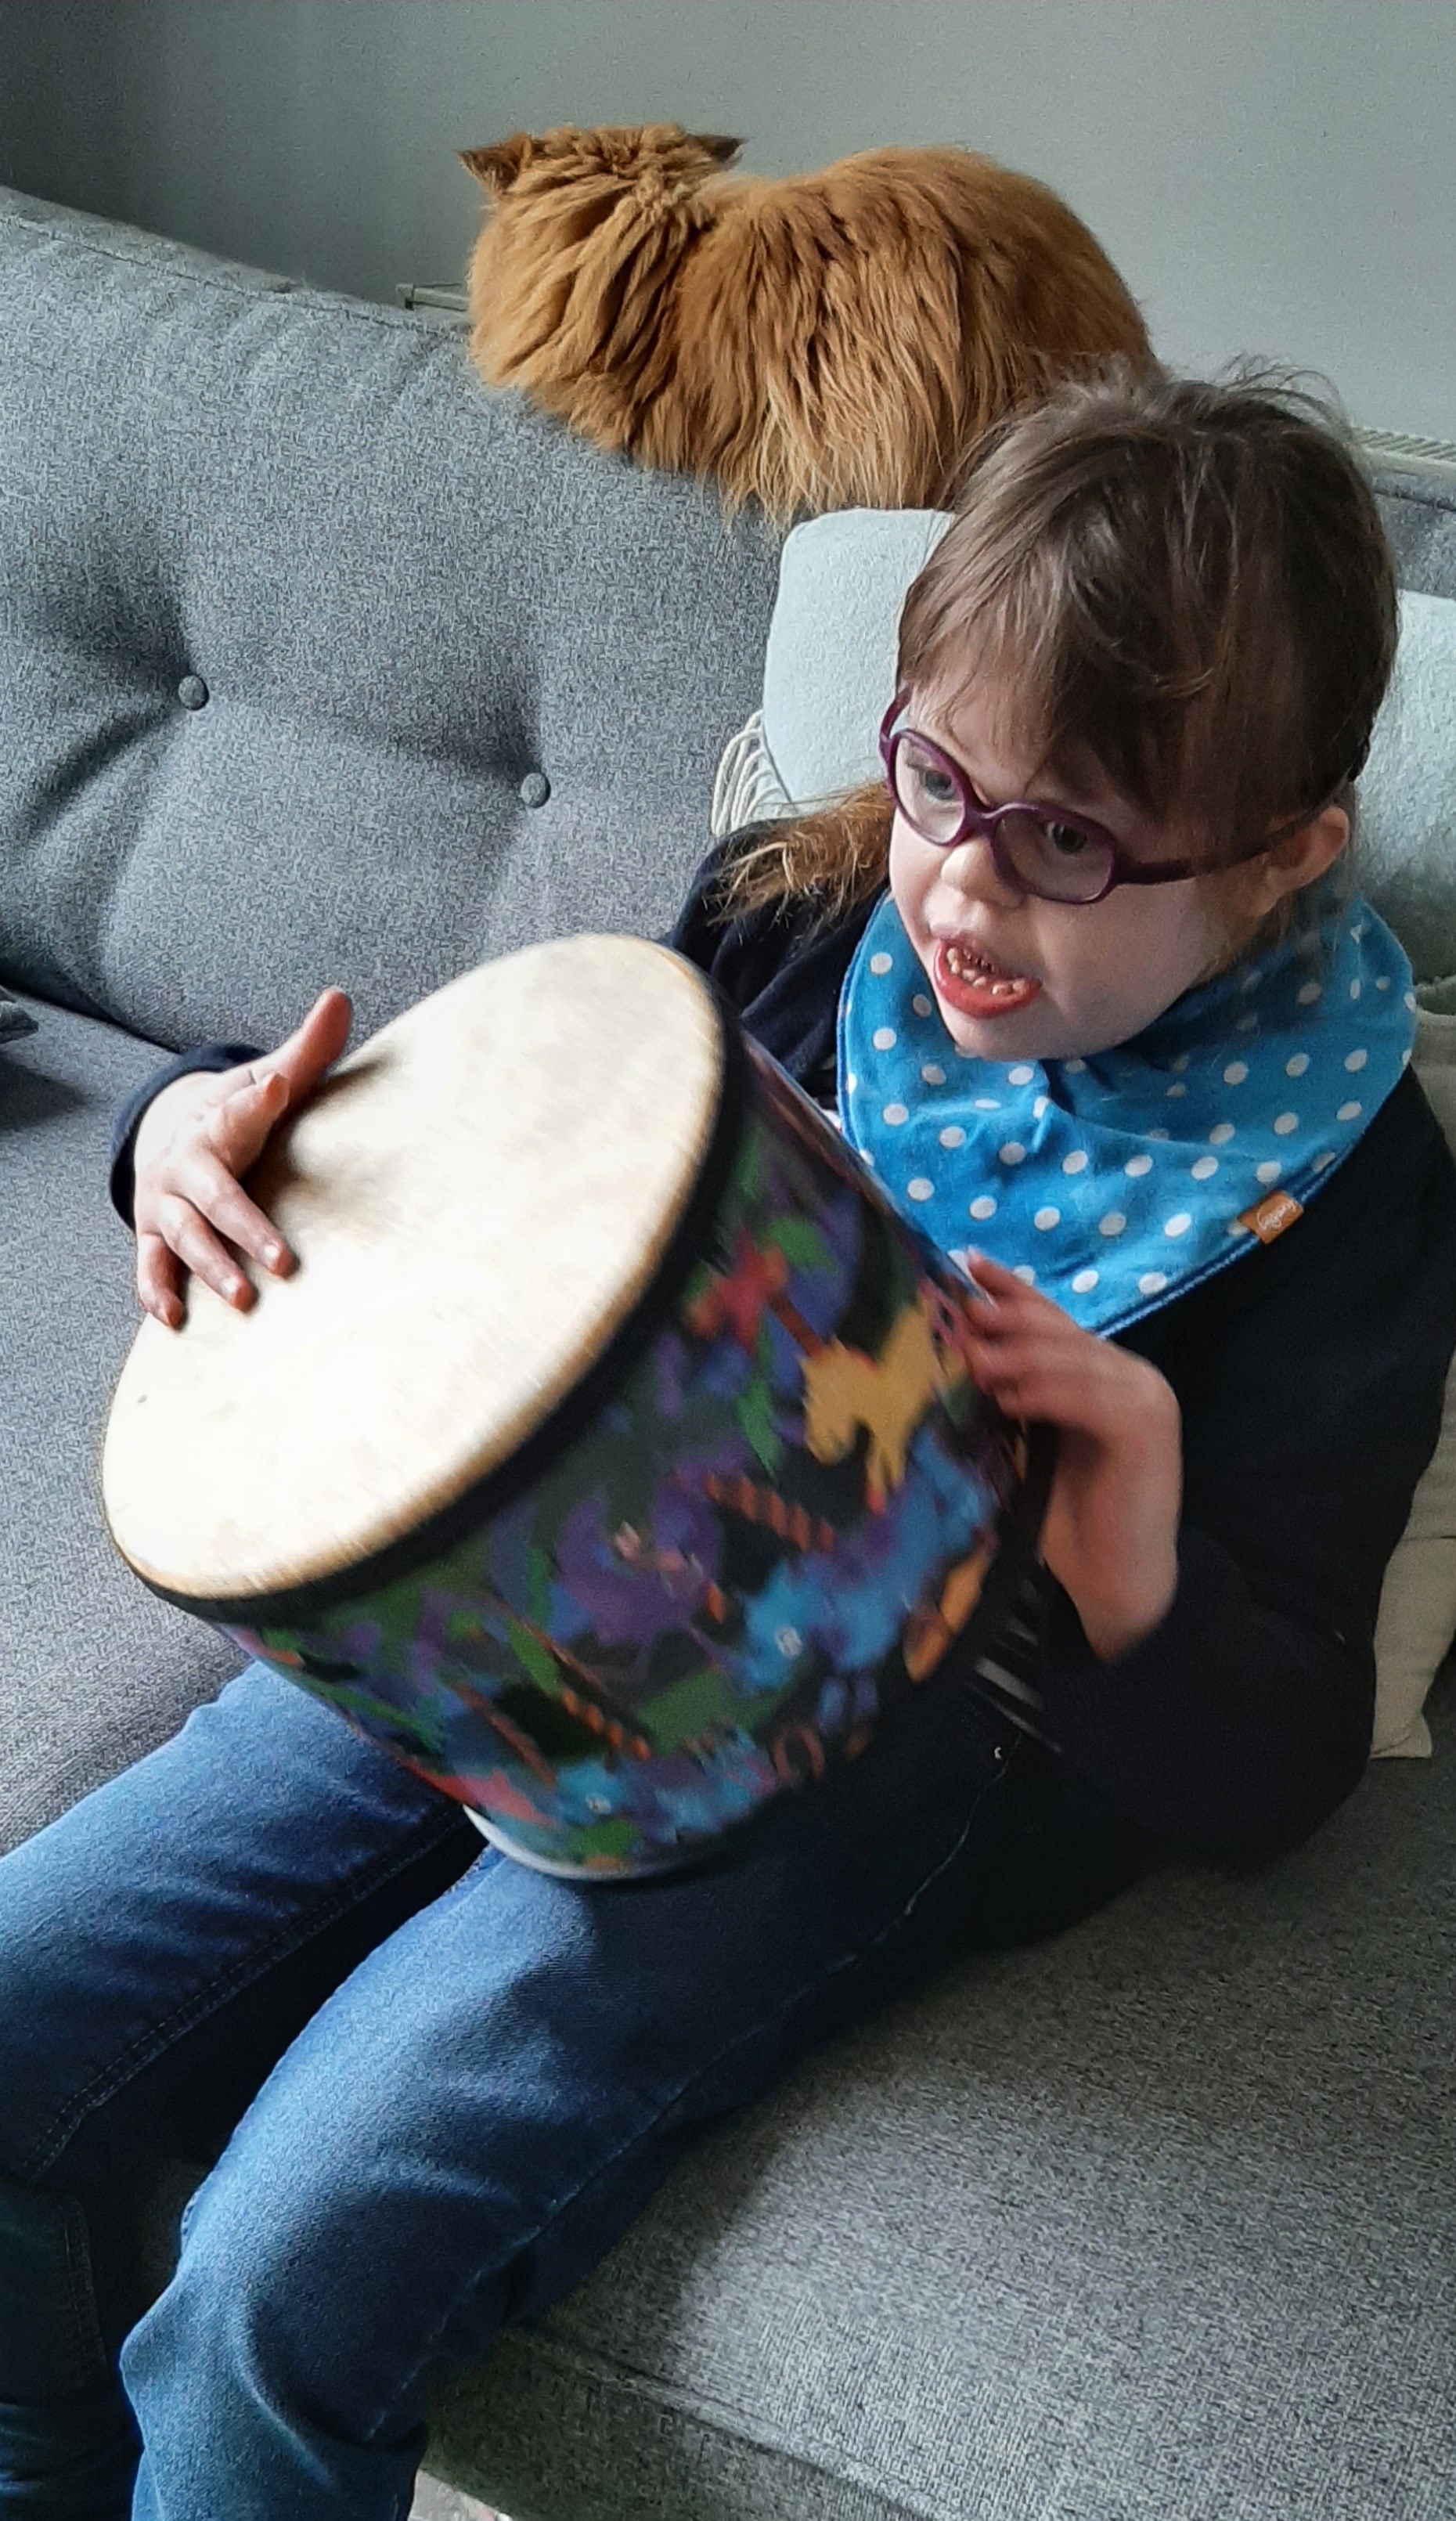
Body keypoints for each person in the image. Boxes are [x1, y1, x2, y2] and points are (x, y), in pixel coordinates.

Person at [3, 366, 1454, 2521]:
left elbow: (1277, 1764)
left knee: (275, 2277)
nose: (960, 894)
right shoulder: (797, 918)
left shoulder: (1340, 1198)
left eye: (1065, 843)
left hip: (836, 1777)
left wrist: (1133, 1547)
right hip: (487, 1621)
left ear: (1277, 855)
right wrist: (178, 1127)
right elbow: (477, 1163)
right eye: (938, 778)